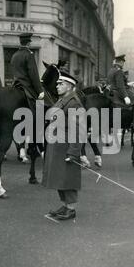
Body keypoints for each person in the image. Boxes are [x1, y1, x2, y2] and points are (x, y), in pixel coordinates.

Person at [42, 71, 84, 220]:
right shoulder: (62, 100)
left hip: (66, 146)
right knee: (60, 177)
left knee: (68, 177)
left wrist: (73, 152)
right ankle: (65, 205)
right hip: (57, 146)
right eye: (57, 84)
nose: (57, 86)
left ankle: (71, 209)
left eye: (61, 84)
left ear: (70, 86)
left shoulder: (74, 103)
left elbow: (78, 130)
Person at [107, 54, 134, 128]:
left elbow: (115, 82)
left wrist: (129, 84)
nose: (123, 64)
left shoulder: (111, 70)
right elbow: (120, 86)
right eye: (123, 62)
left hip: (112, 91)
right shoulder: (119, 71)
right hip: (119, 92)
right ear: (120, 62)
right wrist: (125, 97)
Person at [10, 32, 44, 108]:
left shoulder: (14, 55)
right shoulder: (29, 54)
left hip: (15, 84)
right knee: (40, 104)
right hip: (26, 85)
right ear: (29, 43)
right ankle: (40, 119)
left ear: (20, 42)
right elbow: (33, 74)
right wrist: (40, 90)